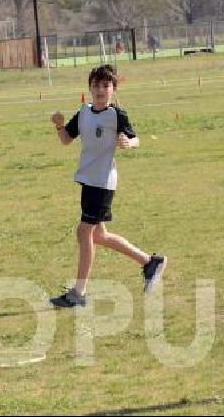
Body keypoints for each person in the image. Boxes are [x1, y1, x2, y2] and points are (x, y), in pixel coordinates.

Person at [49, 64, 166, 308]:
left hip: (102, 183)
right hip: (87, 180)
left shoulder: (117, 115)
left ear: (113, 89)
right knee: (98, 235)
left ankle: (78, 293)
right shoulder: (83, 112)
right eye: (96, 85)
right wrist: (59, 125)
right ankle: (149, 262)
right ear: (90, 88)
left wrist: (129, 143)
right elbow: (66, 140)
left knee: (84, 233)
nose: (101, 90)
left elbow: (136, 139)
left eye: (106, 85)